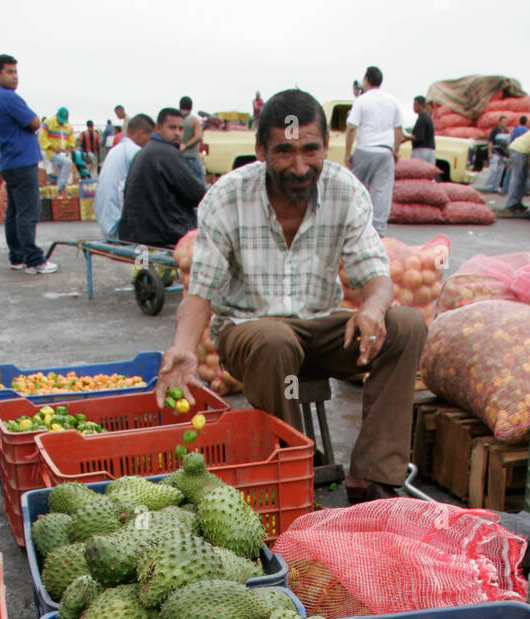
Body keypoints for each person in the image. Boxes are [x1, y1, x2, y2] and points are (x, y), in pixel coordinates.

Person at [154, 88, 426, 504]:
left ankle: (373, 476)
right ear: (261, 150)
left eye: (310, 150)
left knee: (406, 325)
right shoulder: (227, 197)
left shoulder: (345, 190)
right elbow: (201, 292)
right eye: (284, 152)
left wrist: (372, 307)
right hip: (253, 334)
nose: (300, 167)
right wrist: (184, 347)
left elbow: (376, 274)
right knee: (274, 340)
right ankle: (291, 472)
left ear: (326, 147)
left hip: (320, 327)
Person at [0, 53, 57, 274]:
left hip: (8, 161)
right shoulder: (9, 98)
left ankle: (16, 256)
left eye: (16, 72)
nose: (15, 77)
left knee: (14, 213)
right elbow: (35, 122)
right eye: (9, 72)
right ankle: (34, 260)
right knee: (28, 212)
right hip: (22, 161)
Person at [118, 106, 205, 247]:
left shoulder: (146, 151)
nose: (177, 133)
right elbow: (197, 194)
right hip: (162, 234)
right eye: (172, 128)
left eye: (180, 129)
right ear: (158, 128)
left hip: (137, 234)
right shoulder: (167, 153)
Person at [345, 66, 405, 236]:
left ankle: (351, 227)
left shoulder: (362, 100)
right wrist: (395, 150)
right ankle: (378, 232)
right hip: (385, 151)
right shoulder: (392, 100)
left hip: (365, 149)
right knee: (382, 191)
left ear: (366, 80)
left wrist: (347, 153)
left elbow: (351, 128)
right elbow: (398, 129)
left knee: (354, 189)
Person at [94, 113, 154, 239]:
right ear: (140, 133)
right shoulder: (134, 152)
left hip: (107, 223)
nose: (150, 142)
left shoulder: (116, 150)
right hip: (119, 227)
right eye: (150, 137)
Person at [504, 116, 530, 213]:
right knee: (517, 176)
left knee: (522, 178)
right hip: (518, 151)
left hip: (520, 150)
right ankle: (511, 203)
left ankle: (517, 202)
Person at [40, 107, 76, 191]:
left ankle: (59, 193)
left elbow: (72, 141)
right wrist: (52, 148)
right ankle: (61, 188)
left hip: (64, 153)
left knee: (61, 171)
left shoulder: (68, 127)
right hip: (52, 152)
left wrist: (68, 149)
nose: (62, 123)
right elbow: (42, 138)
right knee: (67, 163)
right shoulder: (48, 123)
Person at [179, 96, 205, 185]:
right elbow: (198, 136)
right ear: (191, 107)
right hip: (192, 157)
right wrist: (186, 145)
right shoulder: (193, 120)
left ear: (180, 106)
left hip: (178, 157)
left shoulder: (176, 120)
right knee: (200, 182)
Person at [483, 114, 510, 191]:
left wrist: (507, 154)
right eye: (503, 122)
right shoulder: (495, 131)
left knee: (500, 171)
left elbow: (508, 143)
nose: (505, 123)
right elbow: (490, 142)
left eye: (506, 122)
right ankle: (489, 186)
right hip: (495, 154)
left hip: (503, 155)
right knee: (493, 170)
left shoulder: (506, 131)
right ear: (500, 122)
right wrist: (490, 153)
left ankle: (495, 187)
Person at [406, 95, 435, 165]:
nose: (413, 107)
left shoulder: (421, 118)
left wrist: (405, 137)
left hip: (421, 150)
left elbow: (419, 137)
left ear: (420, 105)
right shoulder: (428, 117)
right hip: (430, 150)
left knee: (416, 172)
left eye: (415, 104)